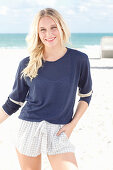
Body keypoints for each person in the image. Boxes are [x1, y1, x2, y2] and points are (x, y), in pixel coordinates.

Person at [0, 7, 93, 170]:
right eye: (42, 29)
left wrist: (72, 124)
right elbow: (13, 102)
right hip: (29, 127)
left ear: (61, 28)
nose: (48, 34)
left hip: (59, 130)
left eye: (53, 27)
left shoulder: (79, 59)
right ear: (37, 33)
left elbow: (86, 95)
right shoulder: (27, 63)